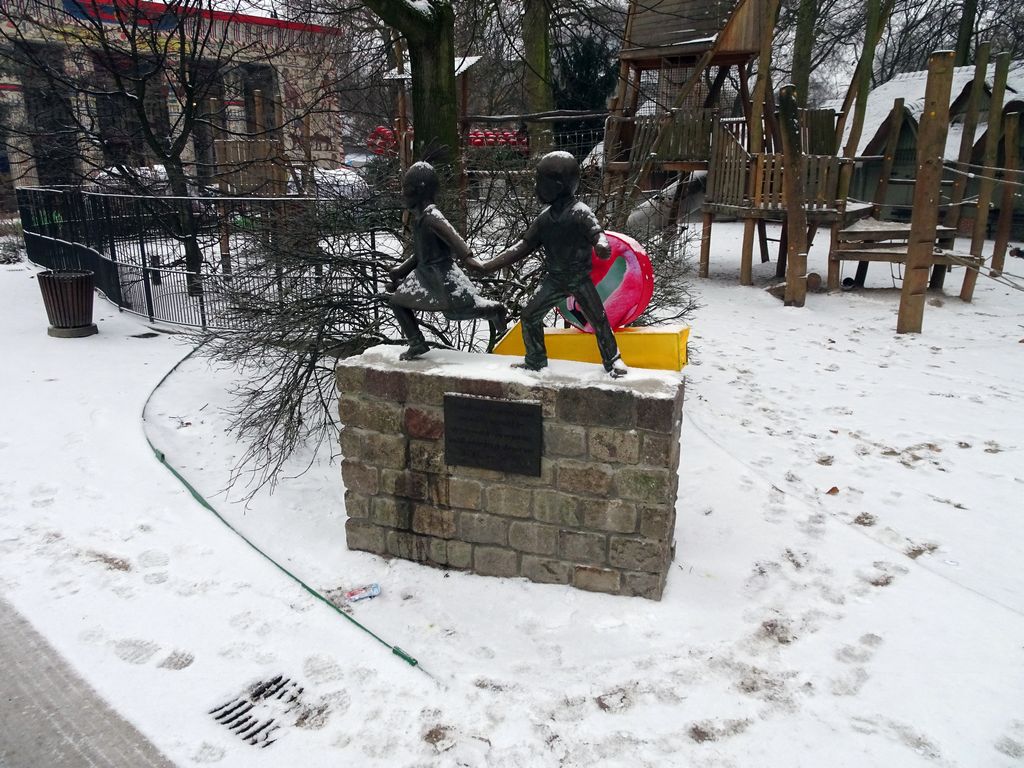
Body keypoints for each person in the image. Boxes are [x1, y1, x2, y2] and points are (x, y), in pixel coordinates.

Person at [467, 151, 627, 378]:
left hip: (579, 279)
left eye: (539, 181)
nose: (536, 187)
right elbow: (522, 246)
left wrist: (601, 246)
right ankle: (535, 360)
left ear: (558, 185)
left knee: (599, 319)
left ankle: (613, 360)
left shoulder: (580, 212)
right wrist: (487, 266)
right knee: (530, 315)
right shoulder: (544, 219)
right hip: (555, 279)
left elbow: (597, 233)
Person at [387, 162, 506, 360]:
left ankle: (495, 310)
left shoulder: (434, 218)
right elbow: (419, 255)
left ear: (419, 191)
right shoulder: (420, 220)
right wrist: (400, 271)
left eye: (406, 189)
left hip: (442, 277)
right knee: (397, 303)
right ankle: (417, 343)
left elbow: (455, 241)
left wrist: (471, 262)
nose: (403, 194)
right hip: (425, 275)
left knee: (457, 313)